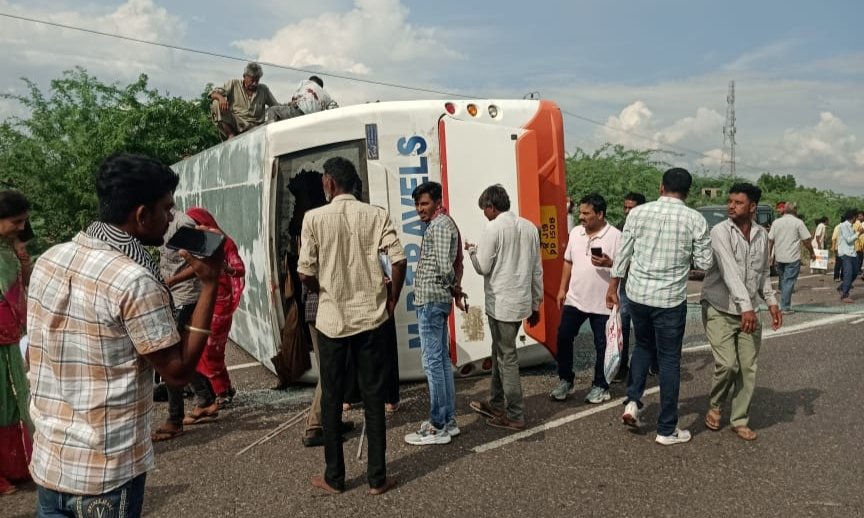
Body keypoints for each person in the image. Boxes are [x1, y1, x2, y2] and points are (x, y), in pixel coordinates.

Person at [27, 154, 223, 516]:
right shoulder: (133, 280)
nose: (170, 219)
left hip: (50, 460)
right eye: (166, 209)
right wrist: (209, 284)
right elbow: (177, 373)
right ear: (142, 215)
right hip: (106, 473)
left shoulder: (49, 259)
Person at [297, 157, 406, 496]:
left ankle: (335, 477)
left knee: (331, 397)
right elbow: (399, 260)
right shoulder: (376, 214)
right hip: (371, 318)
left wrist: (325, 291)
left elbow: (304, 272)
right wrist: (391, 299)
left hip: (332, 322)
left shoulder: (313, 218)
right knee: (373, 397)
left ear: (329, 183)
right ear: (354, 184)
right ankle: (377, 478)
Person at [606, 167, 712, 446]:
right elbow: (703, 263)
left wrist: (612, 287)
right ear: (687, 192)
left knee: (642, 346)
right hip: (669, 301)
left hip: (637, 295)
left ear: (661, 187)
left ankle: (632, 401)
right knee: (667, 361)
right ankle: (667, 429)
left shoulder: (638, 213)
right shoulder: (695, 220)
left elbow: (623, 254)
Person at [700, 183, 782, 441]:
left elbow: (763, 274)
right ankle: (715, 405)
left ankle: (739, 419)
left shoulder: (761, 235)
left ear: (752, 207)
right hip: (720, 307)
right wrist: (746, 307)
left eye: (738, 202)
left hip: (749, 311)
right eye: (730, 201)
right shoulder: (719, 231)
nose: (731, 206)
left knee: (747, 367)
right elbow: (729, 272)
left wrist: (771, 302)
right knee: (727, 364)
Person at [465, 185, 543, 430]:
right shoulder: (529, 227)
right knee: (500, 352)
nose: (484, 214)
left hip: (501, 304)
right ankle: (497, 403)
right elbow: (536, 269)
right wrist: (536, 303)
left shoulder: (494, 227)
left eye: (484, 209)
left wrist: (472, 252)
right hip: (520, 302)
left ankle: (515, 413)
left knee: (506, 356)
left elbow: (483, 268)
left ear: (491, 206)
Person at [404, 181, 466, 446]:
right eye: (418, 204)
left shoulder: (439, 226)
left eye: (425, 203)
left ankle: (438, 425)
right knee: (440, 362)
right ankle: (448, 420)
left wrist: (454, 286)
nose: (420, 209)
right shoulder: (442, 223)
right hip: (436, 300)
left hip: (431, 300)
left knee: (433, 363)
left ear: (437, 202)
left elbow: (444, 265)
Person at [549, 194, 620, 404]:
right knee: (563, 338)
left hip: (603, 302)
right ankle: (565, 380)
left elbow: (623, 267)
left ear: (600, 214)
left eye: (586, 213)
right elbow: (568, 261)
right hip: (576, 299)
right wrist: (562, 289)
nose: (581, 217)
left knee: (602, 345)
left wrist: (610, 263)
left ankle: (600, 385)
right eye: (580, 212)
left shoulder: (615, 236)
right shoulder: (576, 233)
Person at [151, 210, 212, 442]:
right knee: (178, 354)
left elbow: (203, 260)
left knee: (171, 355)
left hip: (186, 296)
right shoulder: (160, 222)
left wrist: (173, 280)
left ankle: (175, 419)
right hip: (172, 296)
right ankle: (205, 398)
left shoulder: (181, 223)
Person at [185, 207, 245, 411]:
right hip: (206, 301)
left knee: (211, 349)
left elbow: (240, 269)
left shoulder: (224, 242)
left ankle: (221, 392)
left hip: (221, 302)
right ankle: (224, 388)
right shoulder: (200, 241)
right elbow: (195, 269)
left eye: (196, 223)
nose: (194, 228)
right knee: (206, 348)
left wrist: (228, 269)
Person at [0, 190, 33, 496]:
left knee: (12, 403)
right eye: (16, 221)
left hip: (9, 335)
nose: (22, 227)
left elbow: (22, 287)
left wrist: (23, 262)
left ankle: (15, 466)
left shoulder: (9, 249)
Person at [613, 191, 646, 384]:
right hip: (625, 285)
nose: (627, 211)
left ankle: (652, 362)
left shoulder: (649, 227)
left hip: (644, 286)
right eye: (625, 207)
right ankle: (622, 365)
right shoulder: (620, 227)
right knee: (622, 326)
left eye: (631, 208)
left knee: (645, 328)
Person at [210, 62, 280, 140]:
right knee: (216, 103)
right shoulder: (234, 84)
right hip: (236, 124)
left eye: (257, 81)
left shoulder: (263, 89)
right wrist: (220, 97)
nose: (254, 84)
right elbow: (213, 94)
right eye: (252, 80)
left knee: (278, 112)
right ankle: (230, 134)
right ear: (244, 77)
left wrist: (290, 105)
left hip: (255, 127)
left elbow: (276, 106)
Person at [768, 201, 814, 314]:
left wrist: (769, 255)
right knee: (788, 282)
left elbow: (770, 240)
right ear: (795, 210)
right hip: (792, 258)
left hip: (779, 257)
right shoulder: (798, 222)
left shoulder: (776, 222)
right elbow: (806, 240)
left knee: (784, 281)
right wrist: (812, 252)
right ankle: (785, 307)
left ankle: (782, 303)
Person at [265, 76, 338, 122]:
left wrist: (292, 103)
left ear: (310, 81)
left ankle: (272, 132)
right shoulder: (326, 95)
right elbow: (333, 107)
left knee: (273, 110)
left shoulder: (305, 83)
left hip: (301, 113)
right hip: (315, 119)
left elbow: (295, 100)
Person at [838, 209, 862, 303]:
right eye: (856, 216)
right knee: (848, 274)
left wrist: (857, 233)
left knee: (855, 273)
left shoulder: (851, 226)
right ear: (853, 217)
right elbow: (848, 240)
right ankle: (845, 294)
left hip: (852, 253)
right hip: (845, 253)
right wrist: (858, 233)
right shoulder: (843, 226)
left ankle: (842, 287)